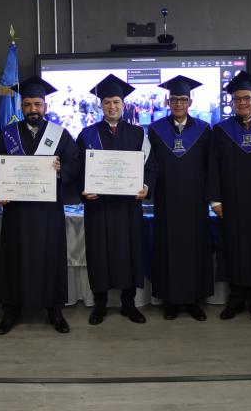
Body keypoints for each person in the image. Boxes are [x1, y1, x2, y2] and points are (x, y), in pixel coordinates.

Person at [0, 76, 80, 335]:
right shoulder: (7, 134)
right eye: (28, 104)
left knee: (50, 256)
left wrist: (62, 168)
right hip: (17, 211)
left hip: (47, 211)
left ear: (45, 106)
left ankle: (54, 309)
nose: (33, 109)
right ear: (21, 107)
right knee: (14, 257)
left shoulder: (59, 134)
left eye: (38, 104)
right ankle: (11, 310)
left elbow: (75, 164)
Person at [77, 74, 156, 325]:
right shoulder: (87, 134)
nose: (112, 107)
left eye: (116, 102)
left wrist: (146, 186)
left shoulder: (137, 134)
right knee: (99, 252)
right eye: (107, 102)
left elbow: (151, 166)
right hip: (98, 206)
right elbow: (77, 168)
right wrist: (83, 188)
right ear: (101, 105)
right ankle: (99, 304)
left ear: (124, 105)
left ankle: (128, 303)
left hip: (127, 207)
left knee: (128, 251)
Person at [207, 71, 251, 323]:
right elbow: (213, 166)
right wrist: (215, 199)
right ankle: (235, 299)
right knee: (233, 249)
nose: (242, 103)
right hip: (231, 203)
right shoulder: (221, 130)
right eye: (237, 99)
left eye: (247, 98)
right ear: (232, 103)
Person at [148, 75, 213, 321]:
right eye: (174, 99)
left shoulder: (204, 130)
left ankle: (194, 300)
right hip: (166, 201)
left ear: (190, 101)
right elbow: (150, 164)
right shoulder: (156, 130)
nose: (178, 103)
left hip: (195, 202)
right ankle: (171, 300)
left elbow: (210, 166)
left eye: (182, 99)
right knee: (168, 249)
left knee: (195, 249)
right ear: (167, 101)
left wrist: (211, 197)